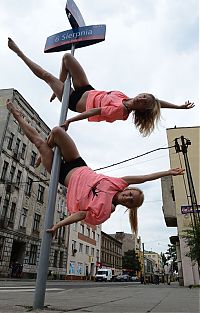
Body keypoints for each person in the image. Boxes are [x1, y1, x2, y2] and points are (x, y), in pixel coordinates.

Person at [6, 100, 185, 235]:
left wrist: (59, 225)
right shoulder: (118, 183)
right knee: (58, 131)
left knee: (39, 142)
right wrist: (168, 172)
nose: (128, 197)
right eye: (131, 193)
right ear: (128, 189)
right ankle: (44, 152)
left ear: (127, 206)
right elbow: (144, 177)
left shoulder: (105, 211)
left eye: (130, 201)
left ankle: (17, 115)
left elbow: (81, 215)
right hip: (78, 163)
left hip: (62, 175)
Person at [8, 37, 194, 137]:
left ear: (142, 109)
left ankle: (18, 52)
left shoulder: (120, 111)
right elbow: (157, 101)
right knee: (67, 58)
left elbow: (95, 110)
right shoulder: (126, 97)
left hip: (75, 101)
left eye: (144, 101)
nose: (142, 97)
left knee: (46, 77)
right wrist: (178, 106)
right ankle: (58, 86)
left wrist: (71, 120)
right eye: (144, 95)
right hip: (87, 89)